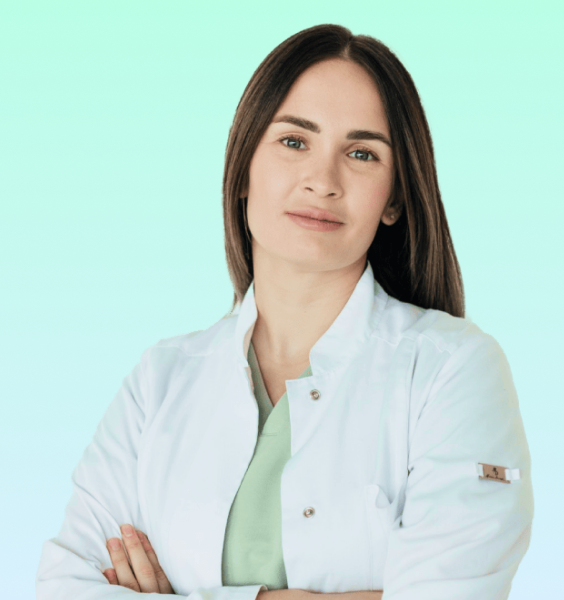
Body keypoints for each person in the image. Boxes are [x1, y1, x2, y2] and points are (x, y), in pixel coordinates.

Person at [35, 23, 534, 600]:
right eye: (295, 142)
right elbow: (63, 586)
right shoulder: (160, 380)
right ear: (244, 168)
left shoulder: (453, 369)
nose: (322, 181)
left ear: (395, 197)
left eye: (362, 153)